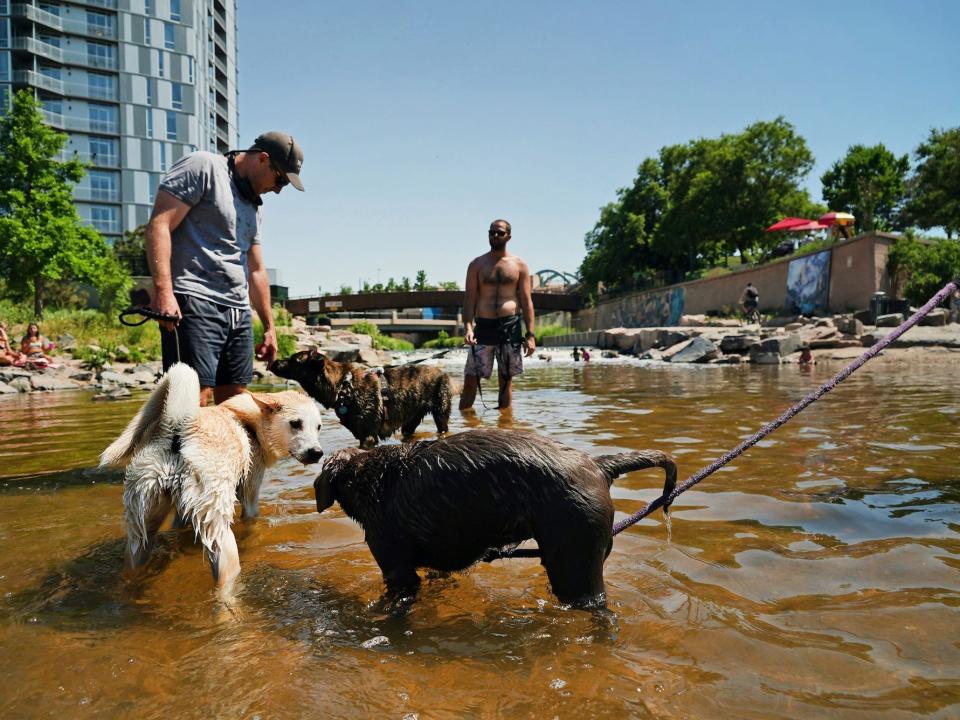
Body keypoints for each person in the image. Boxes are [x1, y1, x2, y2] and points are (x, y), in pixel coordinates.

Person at [146, 131, 304, 406]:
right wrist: (163, 291)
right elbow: (159, 225)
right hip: (194, 301)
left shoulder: (255, 207)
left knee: (237, 405)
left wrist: (269, 327)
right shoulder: (203, 167)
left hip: (237, 311)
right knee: (193, 401)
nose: (279, 190)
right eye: (280, 180)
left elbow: (256, 269)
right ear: (262, 159)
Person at [460, 219, 536, 411]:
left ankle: (505, 428)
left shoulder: (520, 266)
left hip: (510, 328)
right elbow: (469, 300)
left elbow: (527, 302)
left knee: (506, 382)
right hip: (483, 327)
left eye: (499, 233)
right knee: (471, 380)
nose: (495, 236)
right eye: (492, 232)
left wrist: (531, 335)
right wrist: (468, 328)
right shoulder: (477, 265)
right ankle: (462, 429)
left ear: (508, 237)